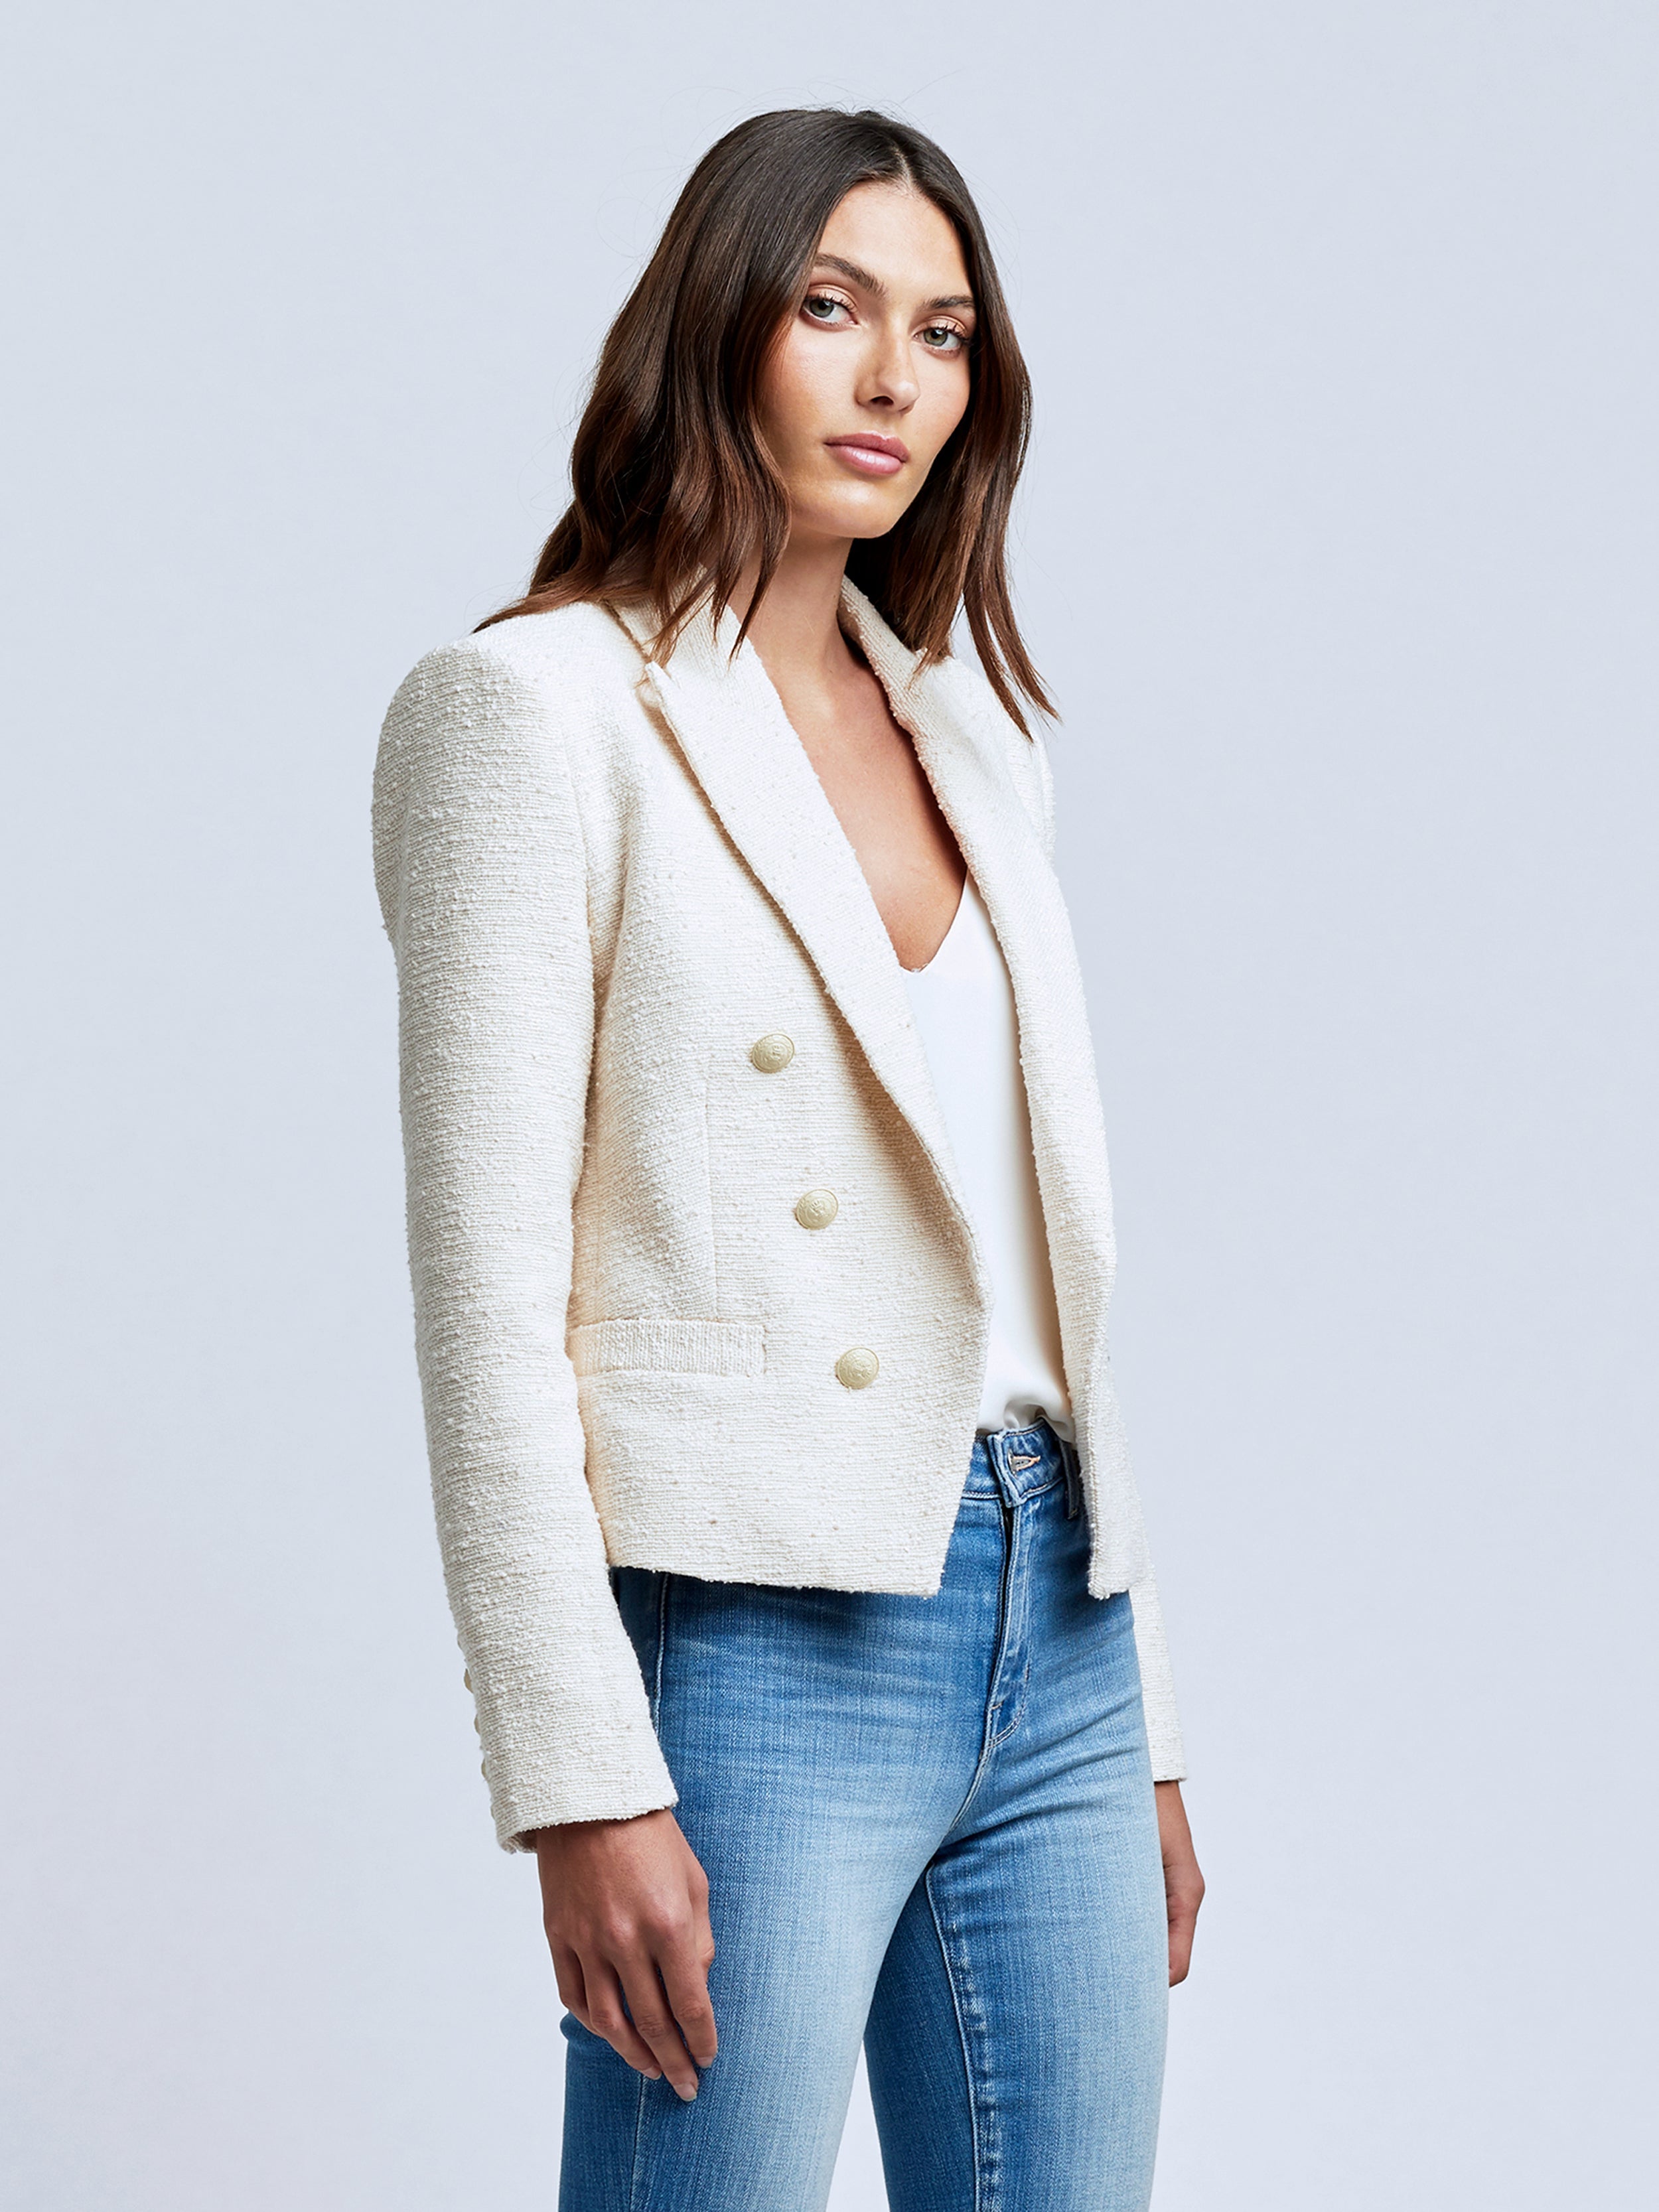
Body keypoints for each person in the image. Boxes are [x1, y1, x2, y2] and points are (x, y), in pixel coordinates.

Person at [374, 105, 1203, 2212]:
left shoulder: (974, 738)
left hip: (1055, 1616)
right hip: (754, 1643)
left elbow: (1043, 1271)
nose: (890, 375)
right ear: (719, 319)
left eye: (941, 331)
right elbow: (486, 1308)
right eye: (831, 306)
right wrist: (577, 1775)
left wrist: (1144, 1711)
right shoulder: (531, 713)